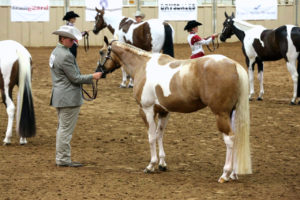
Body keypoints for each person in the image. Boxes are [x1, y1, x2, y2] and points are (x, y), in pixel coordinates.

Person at [49, 25, 102, 167]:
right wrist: (93, 76)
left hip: (60, 95)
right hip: (68, 97)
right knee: (65, 130)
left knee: (62, 128)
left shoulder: (55, 52)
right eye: (71, 40)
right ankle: (63, 159)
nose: (74, 43)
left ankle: (62, 157)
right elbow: (75, 78)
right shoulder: (66, 55)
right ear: (63, 38)